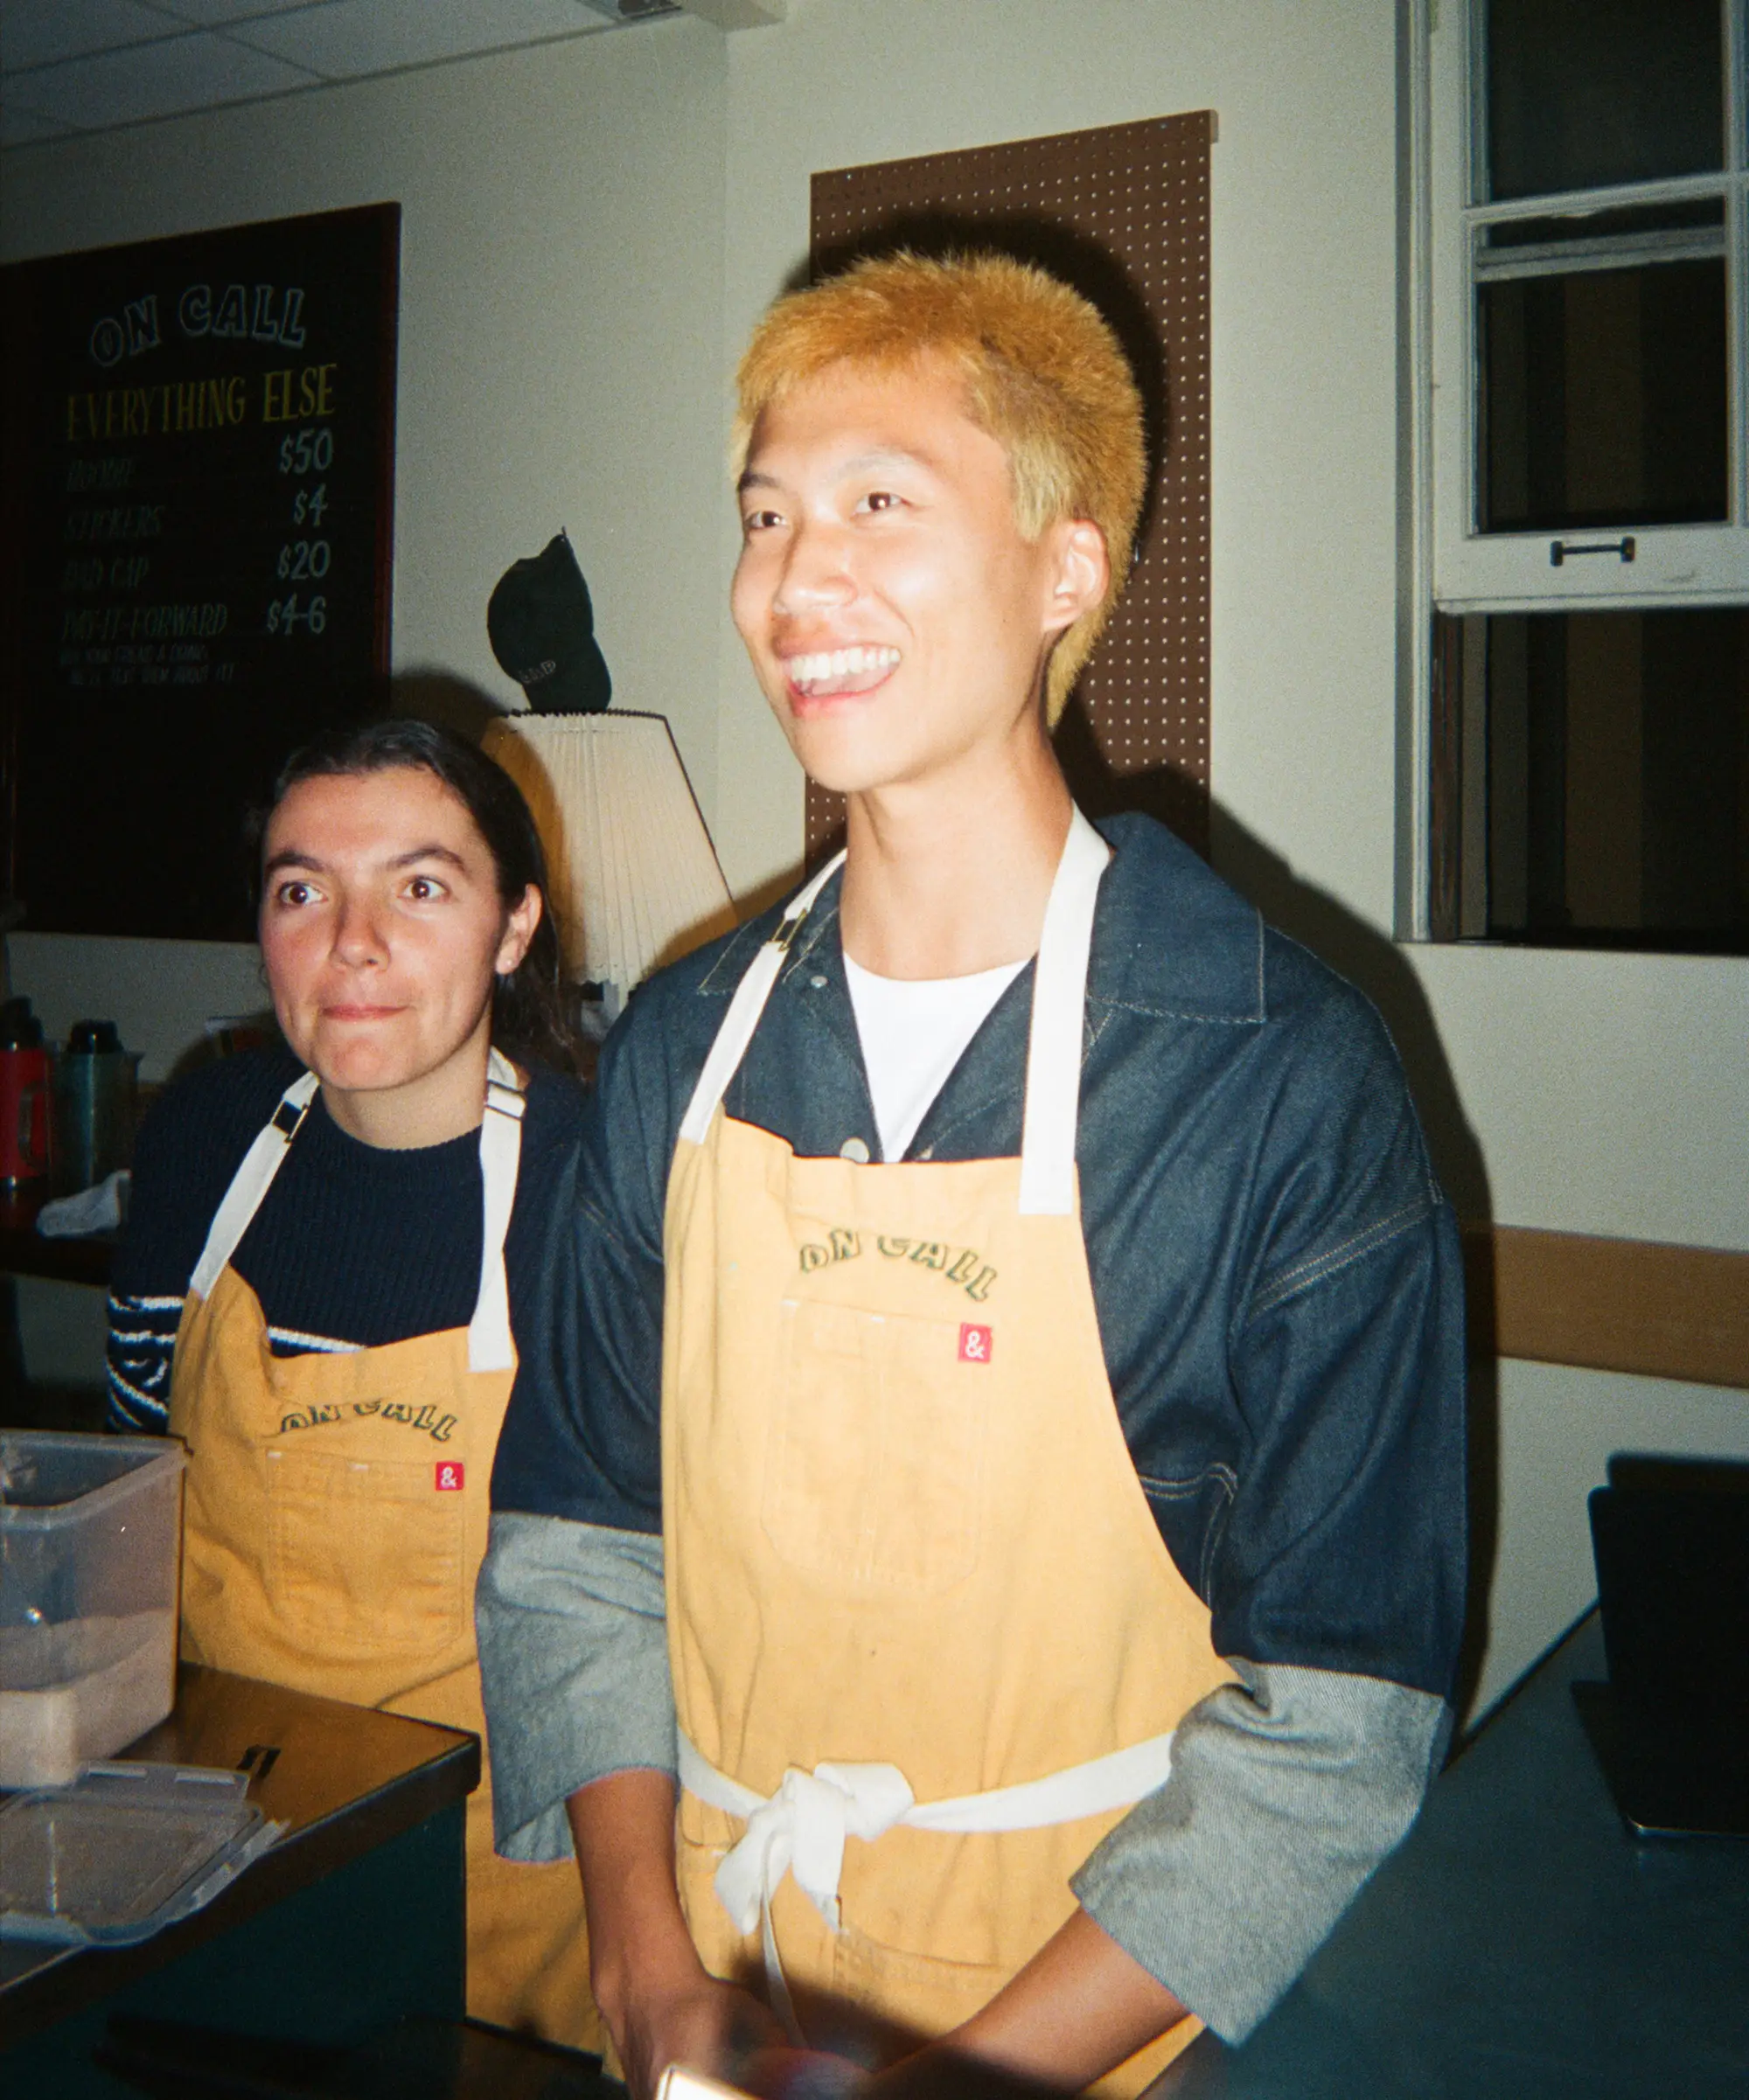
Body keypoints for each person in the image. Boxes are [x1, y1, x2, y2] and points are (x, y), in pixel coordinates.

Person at [477, 253, 1466, 2097]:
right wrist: (644, 1971)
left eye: (877, 502)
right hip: (720, 1994)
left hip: (1099, 2035)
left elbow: (1339, 1727)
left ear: (1066, 569)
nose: (791, 578)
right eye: (763, 514)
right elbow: (573, 1545)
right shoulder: (683, 1053)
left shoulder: (1274, 1075)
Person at [108, 718, 601, 2051]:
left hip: (495, 1926)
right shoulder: (204, 1144)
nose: (353, 942)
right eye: (302, 888)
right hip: (210, 1882)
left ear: (514, 929)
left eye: (421, 886)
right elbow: (134, 1495)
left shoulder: (595, 1191)